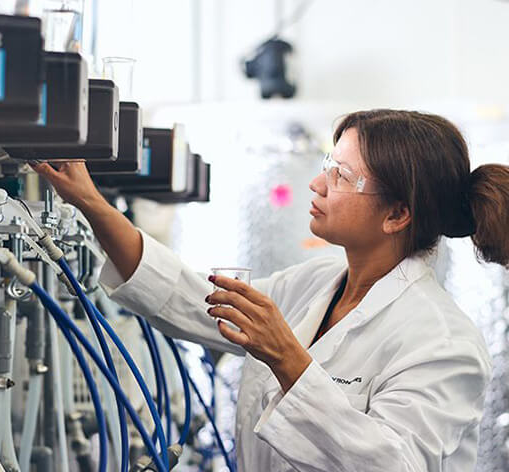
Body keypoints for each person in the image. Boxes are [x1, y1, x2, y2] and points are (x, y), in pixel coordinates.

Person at [33, 109, 509, 471]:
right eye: (329, 163)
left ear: (397, 215)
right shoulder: (317, 282)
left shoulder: (445, 343)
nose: (318, 183)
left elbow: (395, 463)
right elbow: (192, 299)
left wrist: (288, 358)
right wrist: (91, 202)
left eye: (342, 175)